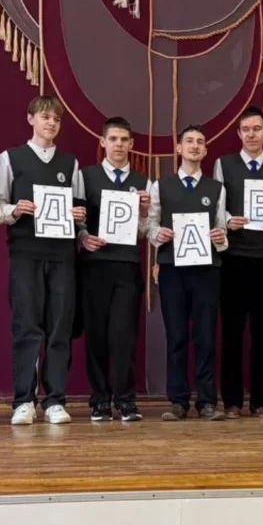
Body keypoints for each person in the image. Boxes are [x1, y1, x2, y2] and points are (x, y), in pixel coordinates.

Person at [0, 95, 85, 426]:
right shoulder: (10, 158)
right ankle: (24, 400)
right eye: (45, 117)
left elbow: (79, 210)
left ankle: (55, 399)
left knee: (59, 328)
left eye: (57, 119)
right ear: (31, 118)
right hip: (25, 253)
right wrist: (14, 209)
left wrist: (79, 217)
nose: (51, 123)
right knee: (27, 326)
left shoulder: (70, 164)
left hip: (61, 255)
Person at [148, 125, 228, 421]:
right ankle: (178, 400)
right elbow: (150, 225)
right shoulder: (161, 186)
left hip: (207, 269)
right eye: (189, 141)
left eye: (200, 142)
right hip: (172, 268)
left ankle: (207, 401)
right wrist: (158, 234)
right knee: (176, 335)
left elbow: (222, 230)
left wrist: (220, 237)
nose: (195, 146)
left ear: (205, 150)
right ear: (178, 148)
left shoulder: (216, 188)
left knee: (206, 336)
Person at [213, 105, 263, 419]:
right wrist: (229, 220)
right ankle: (231, 401)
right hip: (233, 259)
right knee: (231, 332)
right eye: (246, 129)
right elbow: (218, 208)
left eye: (257, 129)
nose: (251, 134)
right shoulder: (224, 164)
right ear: (239, 133)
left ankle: (261, 401)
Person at [77, 116, 150, 422]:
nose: (119, 144)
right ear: (103, 142)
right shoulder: (85, 176)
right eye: (113, 139)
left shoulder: (143, 182)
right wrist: (84, 238)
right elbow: (77, 218)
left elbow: (145, 231)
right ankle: (100, 400)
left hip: (128, 265)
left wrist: (144, 212)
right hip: (95, 266)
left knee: (124, 335)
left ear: (131, 144)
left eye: (124, 140)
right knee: (96, 335)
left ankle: (125, 400)